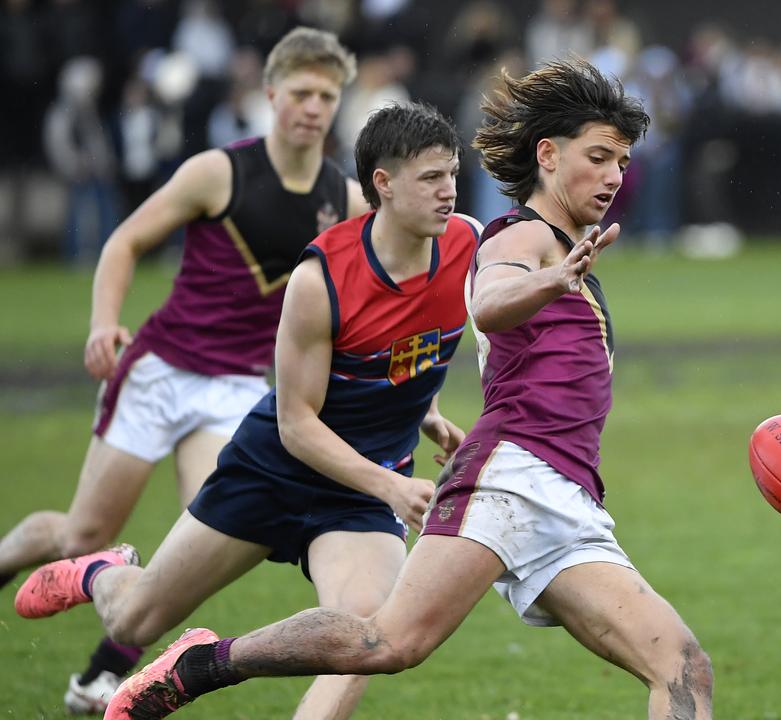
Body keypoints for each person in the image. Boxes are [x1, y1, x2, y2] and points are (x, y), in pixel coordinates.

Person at [97, 57, 714, 720]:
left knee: (682, 667)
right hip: (511, 479)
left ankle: (194, 661)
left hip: (567, 495)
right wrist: (548, 280)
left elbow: (433, 331)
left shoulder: (556, 249)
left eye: (622, 162)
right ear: (549, 155)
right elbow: (492, 298)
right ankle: (202, 666)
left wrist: (430, 412)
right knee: (384, 640)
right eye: (598, 157)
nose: (615, 176)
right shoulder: (522, 238)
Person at [15, 100, 474, 720]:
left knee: (364, 636)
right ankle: (101, 571)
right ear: (383, 185)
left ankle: (208, 671)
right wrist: (393, 486)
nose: (449, 192)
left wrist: (427, 410)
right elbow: (297, 424)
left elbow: (416, 340)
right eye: (431, 178)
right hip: (275, 469)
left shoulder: (467, 246)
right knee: (134, 616)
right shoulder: (322, 278)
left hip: (361, 492)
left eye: (452, 174)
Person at [0, 26, 363, 714]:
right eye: (301, 93)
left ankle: (106, 671)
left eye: (327, 95)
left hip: (234, 390)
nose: (314, 107)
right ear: (269, 94)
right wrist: (104, 322)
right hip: (160, 370)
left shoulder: (342, 200)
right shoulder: (218, 172)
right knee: (83, 535)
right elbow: (125, 239)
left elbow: (368, 305)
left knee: (196, 554)